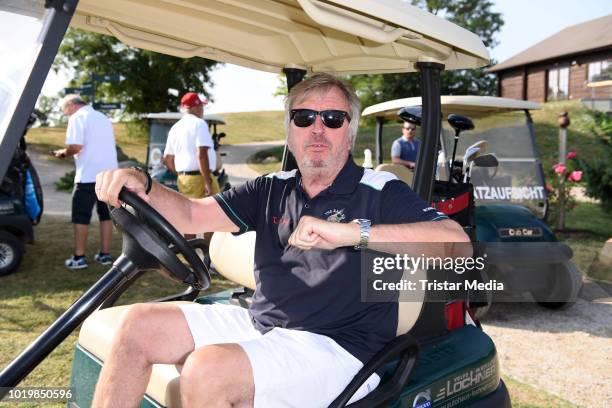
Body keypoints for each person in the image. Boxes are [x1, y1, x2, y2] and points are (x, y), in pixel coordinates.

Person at [93, 73, 469, 408]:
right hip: (263, 323)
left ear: (349, 131)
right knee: (137, 325)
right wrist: (141, 183)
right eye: (304, 118)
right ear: (291, 131)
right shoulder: (271, 188)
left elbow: (456, 245)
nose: (317, 129)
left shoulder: (379, 190)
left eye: (333, 119)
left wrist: (355, 232)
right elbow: (191, 215)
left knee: (207, 372)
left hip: (339, 346)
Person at [54, 94, 118, 269]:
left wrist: (63, 153)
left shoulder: (77, 118)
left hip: (88, 176)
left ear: (72, 105)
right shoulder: (103, 117)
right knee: (106, 216)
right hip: (109, 176)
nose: (65, 114)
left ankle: (79, 257)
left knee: (81, 217)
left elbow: (76, 146)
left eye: (64, 110)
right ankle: (105, 255)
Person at [164, 92, 218, 200]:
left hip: (183, 180)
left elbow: (168, 160)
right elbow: (201, 154)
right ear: (196, 107)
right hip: (200, 179)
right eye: (202, 106)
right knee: (216, 213)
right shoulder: (199, 123)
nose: (202, 109)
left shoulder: (175, 128)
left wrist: (182, 174)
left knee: (189, 215)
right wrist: (207, 181)